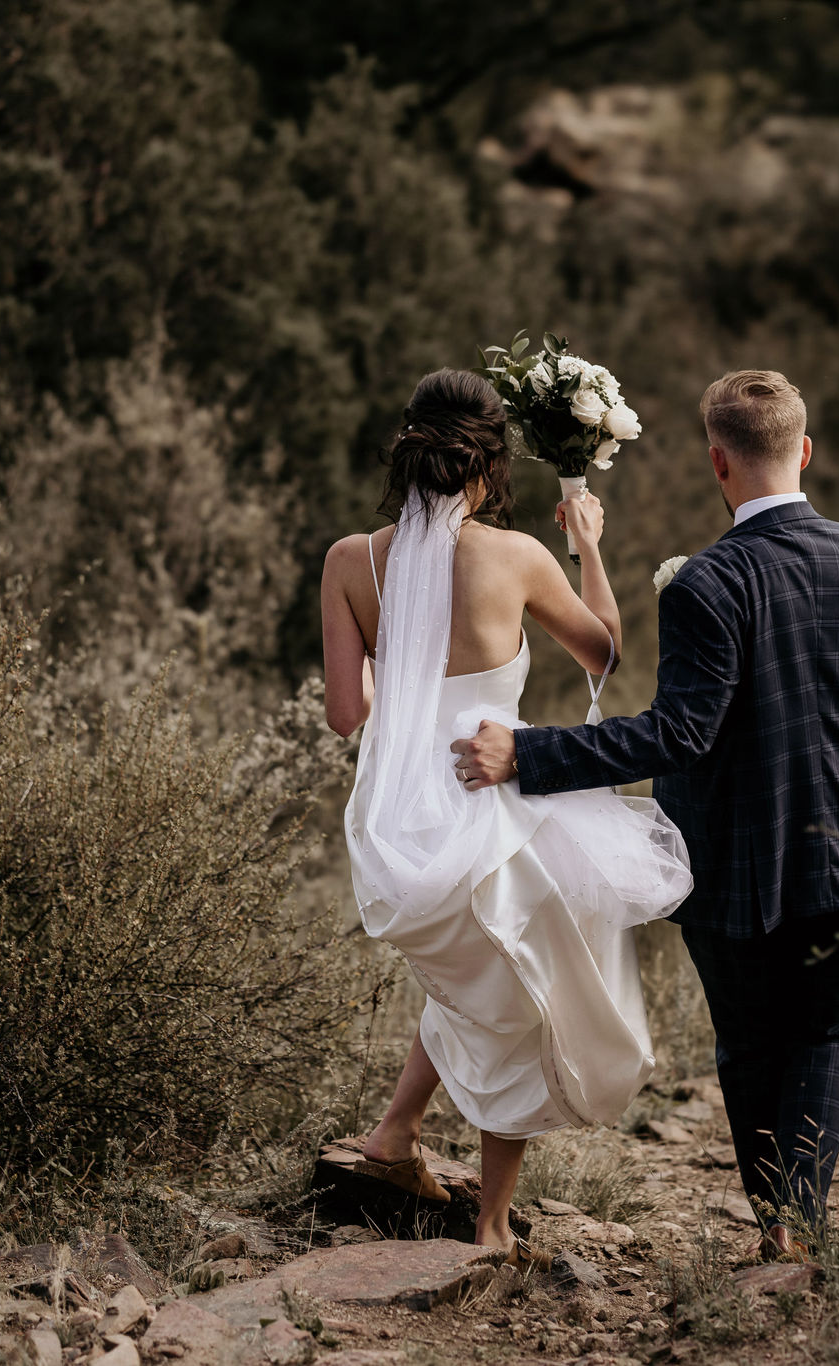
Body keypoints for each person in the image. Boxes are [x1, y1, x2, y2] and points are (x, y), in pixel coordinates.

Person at [455, 368, 839, 1260]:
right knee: (831, 1032)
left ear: (718, 462)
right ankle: (796, 1222)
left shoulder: (708, 581)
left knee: (748, 1046)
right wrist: (836, 783)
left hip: (733, 862)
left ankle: (780, 1226)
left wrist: (531, 754)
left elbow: (679, 735)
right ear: (806, 452)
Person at [321, 368, 692, 1268]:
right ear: (488, 468)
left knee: (481, 979)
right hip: (495, 794)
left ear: (409, 451)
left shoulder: (348, 561)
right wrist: (590, 545)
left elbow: (346, 712)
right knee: (517, 991)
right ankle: (489, 1224)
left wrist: (405, 676)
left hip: (405, 817)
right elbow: (603, 651)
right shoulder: (518, 555)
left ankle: (396, 1134)